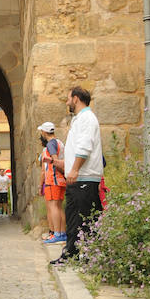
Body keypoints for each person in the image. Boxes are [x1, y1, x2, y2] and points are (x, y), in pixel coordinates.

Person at [50, 86, 103, 265]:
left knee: (85, 219)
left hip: (84, 178)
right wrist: (65, 166)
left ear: (76, 98)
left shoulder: (87, 118)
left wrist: (74, 170)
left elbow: (85, 147)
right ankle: (71, 254)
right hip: (77, 178)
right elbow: (76, 151)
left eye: (68, 98)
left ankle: (89, 257)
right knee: (73, 218)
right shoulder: (80, 119)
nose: (67, 102)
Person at [37, 121, 66, 244]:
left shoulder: (50, 144)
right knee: (59, 207)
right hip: (60, 179)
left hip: (53, 178)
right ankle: (62, 233)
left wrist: (50, 160)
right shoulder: (60, 143)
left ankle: (57, 233)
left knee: (53, 206)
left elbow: (54, 161)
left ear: (44, 132)